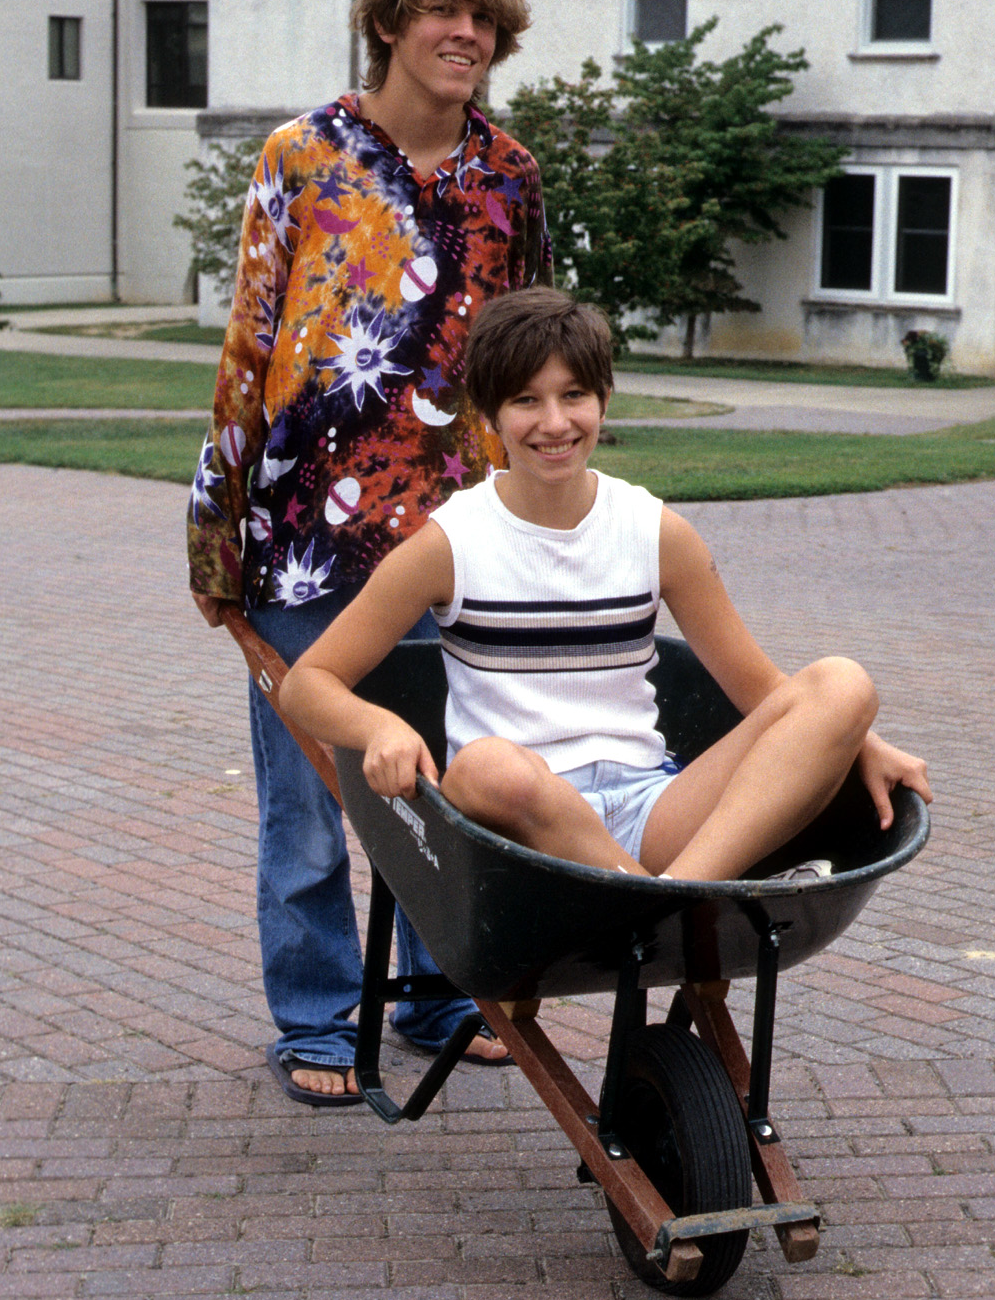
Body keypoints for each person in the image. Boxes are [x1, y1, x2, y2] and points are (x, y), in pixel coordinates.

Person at [187, 0, 552, 1105]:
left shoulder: (511, 176)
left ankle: (441, 996)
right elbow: (249, 349)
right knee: (308, 800)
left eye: (484, 19)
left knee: (448, 786)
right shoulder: (301, 157)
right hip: (303, 543)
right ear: (389, 22)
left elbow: (535, 357)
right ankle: (318, 1014)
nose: (466, 34)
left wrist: (549, 518)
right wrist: (215, 536)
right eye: (444, 11)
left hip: (460, 546)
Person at [279, 290, 932, 897]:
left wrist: (860, 739)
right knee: (483, 768)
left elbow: (765, 691)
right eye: (526, 401)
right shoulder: (451, 544)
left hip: (652, 808)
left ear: (605, 399)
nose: (555, 422)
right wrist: (380, 726)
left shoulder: (655, 533)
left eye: (575, 395)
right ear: (488, 415)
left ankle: (672, 897)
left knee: (844, 684)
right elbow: (307, 684)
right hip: (523, 824)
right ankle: (674, 905)